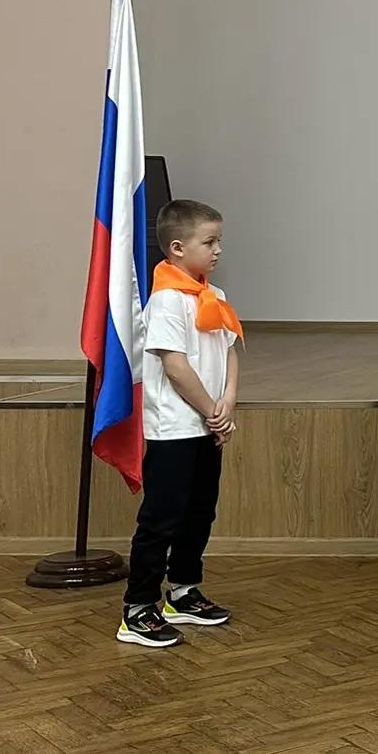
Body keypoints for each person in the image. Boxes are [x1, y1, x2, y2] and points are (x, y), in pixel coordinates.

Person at [117, 199, 242, 649]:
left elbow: (230, 350)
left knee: (200, 512)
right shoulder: (167, 300)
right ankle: (138, 607)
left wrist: (228, 402)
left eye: (219, 241)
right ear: (176, 247)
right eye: (209, 242)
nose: (218, 250)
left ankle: (184, 590)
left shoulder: (214, 295)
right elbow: (175, 366)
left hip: (208, 425)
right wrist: (211, 409)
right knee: (162, 518)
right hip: (175, 429)